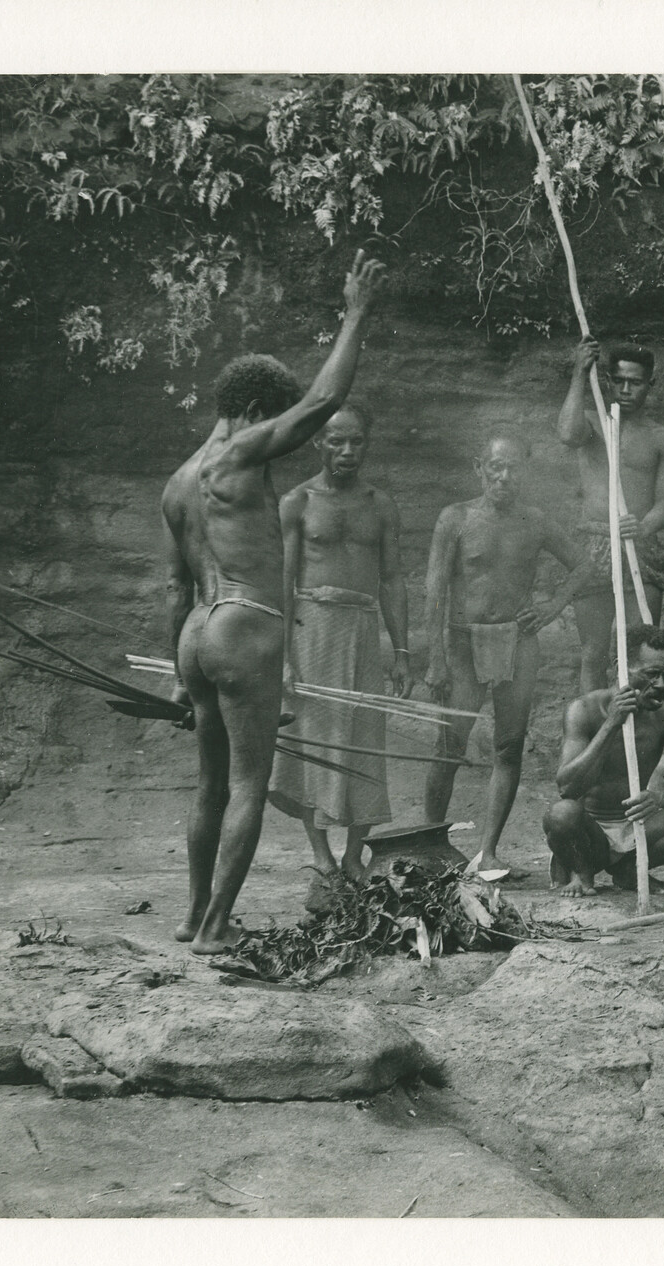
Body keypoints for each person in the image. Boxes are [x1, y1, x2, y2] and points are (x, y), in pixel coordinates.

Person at [160, 251, 382, 954]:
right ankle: (216, 928)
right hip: (247, 625)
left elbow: (176, 586)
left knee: (209, 784)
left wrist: (174, 669)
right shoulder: (241, 453)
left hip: (196, 631)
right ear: (256, 411)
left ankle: (193, 915)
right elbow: (321, 401)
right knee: (250, 783)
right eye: (273, 418)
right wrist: (355, 314)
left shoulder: (179, 480)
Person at [422, 434, 585, 881]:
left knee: (508, 747)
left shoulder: (535, 521)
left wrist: (552, 607)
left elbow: (585, 564)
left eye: (513, 467)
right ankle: (430, 843)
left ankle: (488, 851)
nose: (504, 476)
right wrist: (435, 657)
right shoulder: (455, 519)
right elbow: (435, 592)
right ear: (479, 468)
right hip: (462, 642)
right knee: (448, 748)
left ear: (524, 473)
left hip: (517, 641)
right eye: (495, 467)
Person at [268, 402, 412, 883]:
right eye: (337, 441)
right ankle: (322, 853)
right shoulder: (298, 501)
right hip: (311, 631)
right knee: (315, 740)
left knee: (364, 740)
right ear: (318, 443)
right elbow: (283, 584)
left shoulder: (381, 504)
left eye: (356, 441)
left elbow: (392, 580)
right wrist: (285, 659)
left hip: (362, 632)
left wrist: (402, 652)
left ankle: (354, 854)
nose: (347, 451)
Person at [545, 625, 664, 898]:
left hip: (637, 829)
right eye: (651, 675)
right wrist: (611, 725)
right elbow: (567, 788)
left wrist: (659, 798)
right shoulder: (583, 710)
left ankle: (630, 870)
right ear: (622, 667)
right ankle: (581, 872)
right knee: (561, 814)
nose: (661, 685)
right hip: (590, 833)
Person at [556, 339, 664, 690]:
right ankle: (595, 730)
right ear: (608, 380)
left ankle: (637, 734)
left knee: (642, 650)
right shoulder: (593, 424)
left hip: (639, 547)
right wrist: (580, 372)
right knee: (593, 653)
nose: (625, 389)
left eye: (635, 382)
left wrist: (643, 527)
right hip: (594, 544)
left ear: (650, 384)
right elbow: (567, 434)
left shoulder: (662, 439)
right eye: (619, 380)